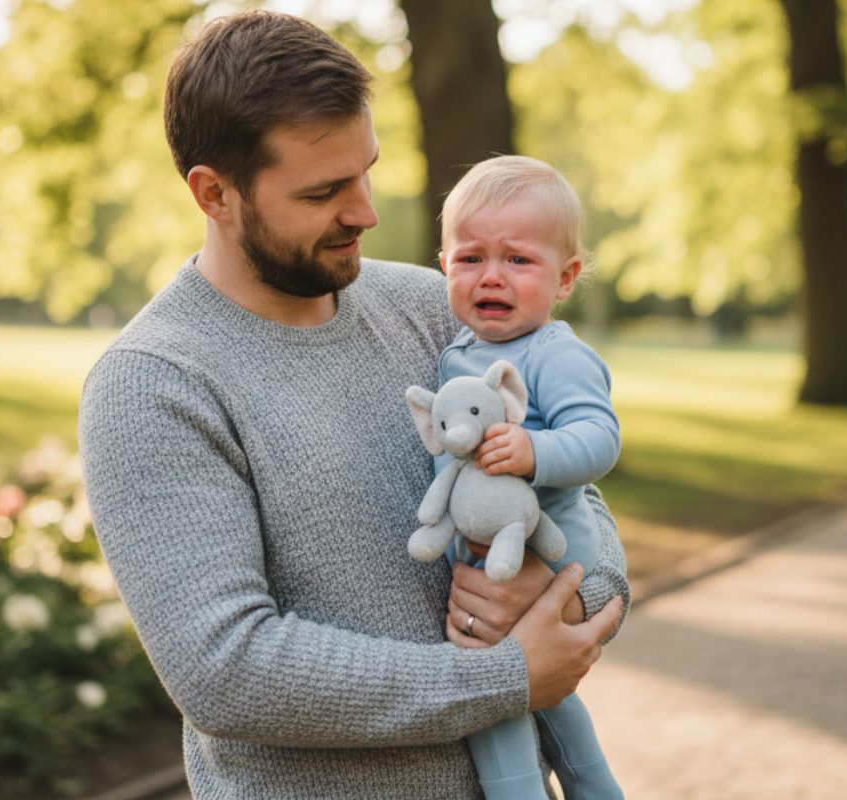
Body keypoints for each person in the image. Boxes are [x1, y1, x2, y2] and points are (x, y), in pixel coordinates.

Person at [78, 11, 630, 800]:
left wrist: (572, 596)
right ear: (214, 193)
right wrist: (504, 677)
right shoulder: (154, 385)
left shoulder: (432, 308)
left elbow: (579, 496)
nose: (365, 212)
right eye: (324, 191)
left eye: (365, 170)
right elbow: (227, 671)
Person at [432, 155, 624, 799]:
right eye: (470, 258)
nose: (492, 275)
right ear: (444, 265)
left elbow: (600, 438)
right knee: (550, 698)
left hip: (544, 554)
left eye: (518, 259)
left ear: (565, 277)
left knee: (498, 699)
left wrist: (533, 450)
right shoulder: (458, 353)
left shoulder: (554, 353)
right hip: (487, 558)